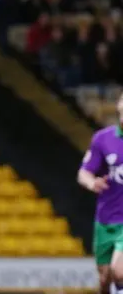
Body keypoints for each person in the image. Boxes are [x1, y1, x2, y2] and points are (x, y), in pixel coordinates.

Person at [78, 93, 123, 294]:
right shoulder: (103, 139)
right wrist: (92, 183)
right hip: (105, 220)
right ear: (119, 105)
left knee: (119, 272)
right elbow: (84, 172)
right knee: (105, 278)